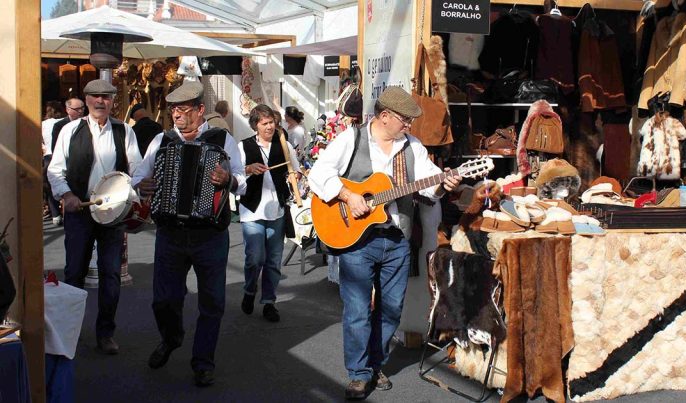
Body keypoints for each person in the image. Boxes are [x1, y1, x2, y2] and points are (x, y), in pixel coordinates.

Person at [307, 86, 461, 400]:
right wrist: (349, 195)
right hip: (358, 240)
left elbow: (430, 185)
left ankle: (375, 363)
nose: (409, 125)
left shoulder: (412, 146)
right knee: (358, 310)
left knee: (391, 309)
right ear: (385, 116)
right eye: (405, 119)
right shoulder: (352, 138)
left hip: (397, 239)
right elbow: (318, 172)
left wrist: (445, 184)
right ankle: (359, 374)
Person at [131, 81, 246, 387]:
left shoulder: (222, 138)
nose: (177, 116)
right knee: (163, 300)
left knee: (213, 302)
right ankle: (172, 337)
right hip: (170, 233)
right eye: (173, 110)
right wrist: (141, 185)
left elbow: (242, 179)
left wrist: (228, 180)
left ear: (199, 110)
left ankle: (203, 361)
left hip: (210, 235)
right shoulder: (162, 140)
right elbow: (139, 175)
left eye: (183, 110)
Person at [47, 79, 143, 355]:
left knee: (111, 275)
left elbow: (136, 168)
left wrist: (128, 190)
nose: (101, 101)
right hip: (80, 211)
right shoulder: (69, 130)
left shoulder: (124, 130)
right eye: (95, 97)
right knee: (74, 272)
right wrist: (67, 196)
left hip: (112, 214)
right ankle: (70, 331)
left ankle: (105, 333)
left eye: (106, 97)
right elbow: (55, 170)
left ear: (113, 101)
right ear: (86, 100)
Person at [238, 104, 300, 322]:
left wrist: (297, 177)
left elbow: (296, 169)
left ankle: (269, 302)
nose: (269, 126)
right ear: (256, 125)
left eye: (272, 122)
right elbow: (234, 174)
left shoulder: (284, 145)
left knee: (273, 260)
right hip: (252, 210)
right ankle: (249, 290)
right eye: (264, 123)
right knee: (254, 258)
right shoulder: (243, 146)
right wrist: (248, 169)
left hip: (277, 209)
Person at [42, 101, 65, 225]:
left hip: (48, 155)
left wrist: (43, 147)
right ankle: (64, 211)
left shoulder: (43, 124)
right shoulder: (63, 123)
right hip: (60, 154)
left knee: (50, 186)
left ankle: (55, 214)